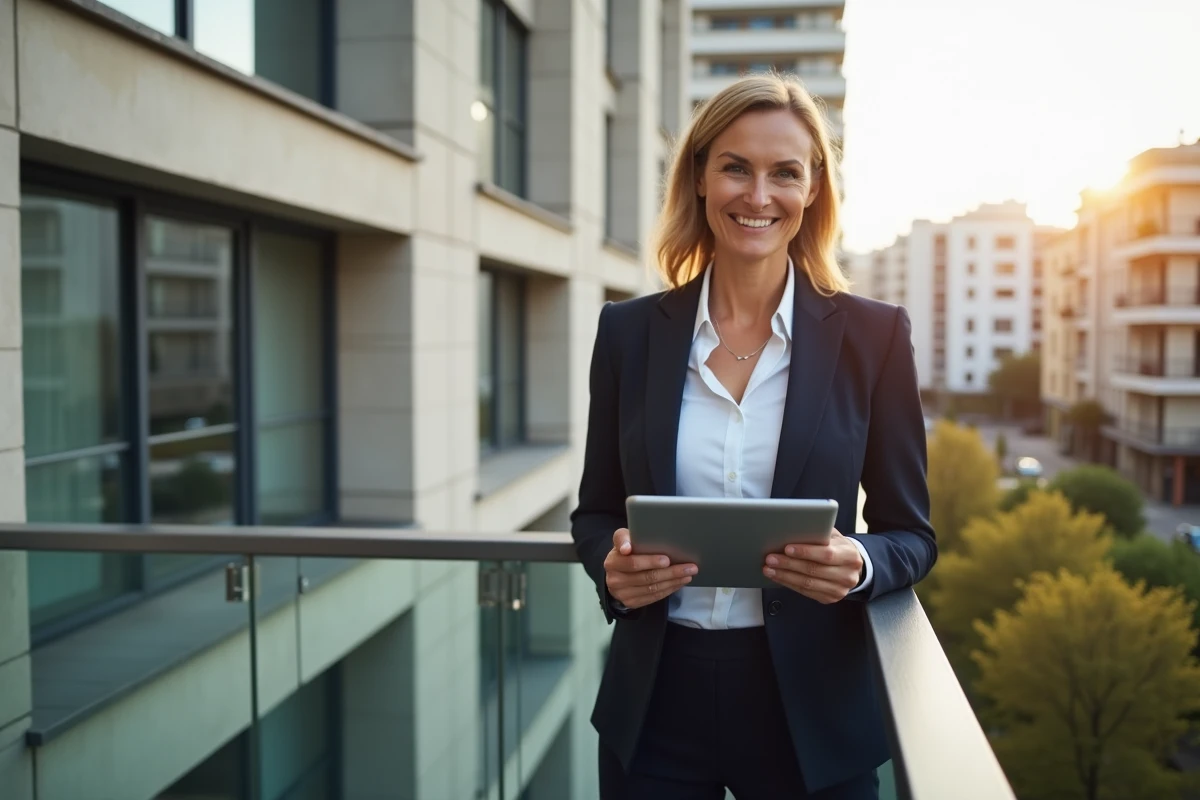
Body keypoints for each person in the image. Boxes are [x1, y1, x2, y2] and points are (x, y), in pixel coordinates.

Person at [570, 73, 937, 799]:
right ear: (701, 176)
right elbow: (596, 512)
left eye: (785, 173)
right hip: (655, 706)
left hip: (813, 708)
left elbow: (912, 536)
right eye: (736, 166)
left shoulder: (874, 336)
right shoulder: (628, 333)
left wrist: (858, 562)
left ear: (813, 189)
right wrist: (611, 573)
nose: (758, 196)